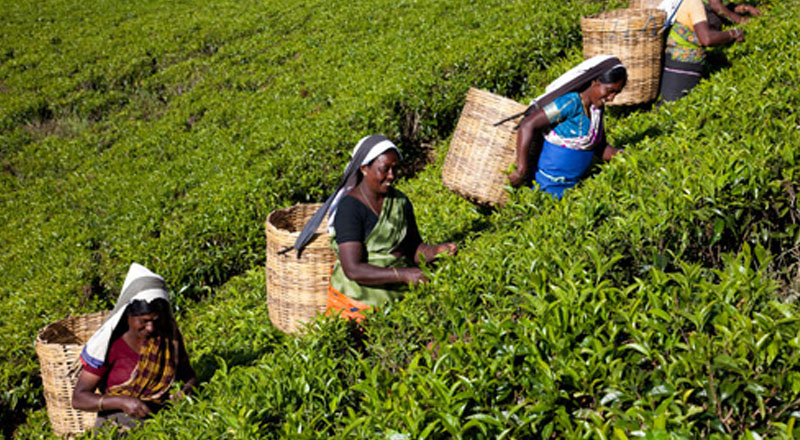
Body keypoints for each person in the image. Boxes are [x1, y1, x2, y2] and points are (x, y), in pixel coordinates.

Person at [293, 135, 457, 322]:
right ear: (364, 168)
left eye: (395, 169)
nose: (391, 176)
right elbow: (353, 269)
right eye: (384, 169)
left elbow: (413, 248)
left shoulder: (400, 202)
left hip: (396, 294)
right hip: (359, 297)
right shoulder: (350, 208)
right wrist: (403, 274)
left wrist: (436, 251)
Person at [72, 263, 196, 430]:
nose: (151, 327)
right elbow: (79, 398)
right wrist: (122, 401)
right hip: (116, 423)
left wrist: (186, 391)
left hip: (160, 419)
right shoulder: (111, 345)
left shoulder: (168, 338)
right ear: (128, 316)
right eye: (144, 321)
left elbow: (188, 375)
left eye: (156, 320)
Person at [507, 56, 627, 199]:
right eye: (609, 90)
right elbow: (528, 124)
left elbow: (597, 146)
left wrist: (624, 155)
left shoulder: (597, 110)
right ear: (595, 82)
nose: (611, 98)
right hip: (546, 188)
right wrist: (521, 168)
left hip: (573, 187)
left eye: (616, 93)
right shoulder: (569, 103)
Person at [658, 0, 746, 103]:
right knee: (675, 105)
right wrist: (733, 33)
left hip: (672, 60)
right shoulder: (694, 3)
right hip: (684, 65)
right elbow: (707, 39)